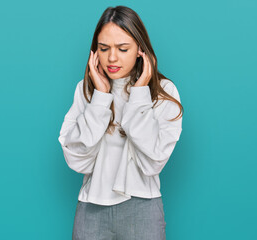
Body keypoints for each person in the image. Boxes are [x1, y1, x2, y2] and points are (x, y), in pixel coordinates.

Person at [58, 5, 184, 240]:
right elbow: (76, 159)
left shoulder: (164, 92)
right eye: (104, 48)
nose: (112, 58)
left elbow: (153, 162)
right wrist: (101, 98)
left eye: (123, 48)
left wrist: (138, 95)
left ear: (140, 49)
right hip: (91, 208)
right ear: (94, 52)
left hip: (143, 208)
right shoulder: (86, 91)